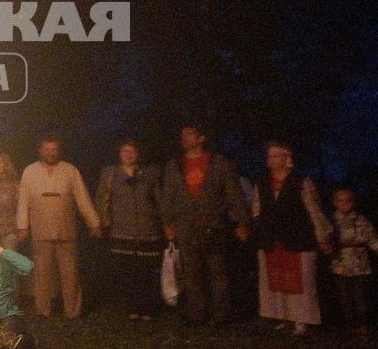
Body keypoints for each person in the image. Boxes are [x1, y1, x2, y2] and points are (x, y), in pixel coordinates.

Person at [159, 124, 251, 325]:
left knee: (217, 271)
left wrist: (242, 222)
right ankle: (196, 312)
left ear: (201, 138)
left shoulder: (219, 163)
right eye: (183, 134)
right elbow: (168, 196)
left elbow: (234, 194)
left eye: (190, 134)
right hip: (185, 225)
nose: (185, 137)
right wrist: (167, 222)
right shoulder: (175, 165)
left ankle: (221, 314)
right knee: (191, 271)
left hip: (213, 224)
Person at [14, 136, 102, 319]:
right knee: (42, 272)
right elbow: (23, 200)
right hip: (41, 229)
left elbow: (82, 198)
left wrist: (93, 222)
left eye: (54, 149)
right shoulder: (30, 171)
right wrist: (22, 225)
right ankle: (43, 310)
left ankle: (72, 311)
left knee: (70, 272)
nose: (50, 153)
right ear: (41, 150)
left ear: (58, 151)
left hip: (66, 228)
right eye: (47, 149)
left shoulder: (70, 170)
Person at [252, 142, 333, 334]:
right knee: (276, 278)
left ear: (286, 158)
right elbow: (257, 208)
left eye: (275, 156)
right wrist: (259, 227)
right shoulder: (262, 182)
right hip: (271, 237)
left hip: (298, 236)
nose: (271, 160)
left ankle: (301, 319)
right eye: (269, 156)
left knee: (301, 281)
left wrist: (322, 235)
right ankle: (283, 316)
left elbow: (313, 209)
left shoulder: (301, 181)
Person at [96, 141, 164, 320]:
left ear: (138, 153)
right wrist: (101, 223)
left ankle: (148, 308)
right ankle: (132, 308)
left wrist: (166, 223)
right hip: (121, 229)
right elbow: (102, 199)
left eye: (132, 151)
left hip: (147, 229)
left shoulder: (150, 174)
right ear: (119, 154)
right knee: (128, 271)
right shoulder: (110, 174)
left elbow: (159, 200)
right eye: (124, 151)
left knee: (147, 271)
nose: (128, 154)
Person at [327, 187, 378, 333]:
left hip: (360, 265)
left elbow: (372, 240)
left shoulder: (362, 221)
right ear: (335, 202)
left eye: (348, 201)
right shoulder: (330, 221)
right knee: (344, 297)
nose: (344, 204)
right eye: (340, 201)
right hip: (340, 265)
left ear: (353, 202)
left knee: (361, 297)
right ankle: (348, 324)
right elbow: (324, 240)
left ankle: (362, 324)